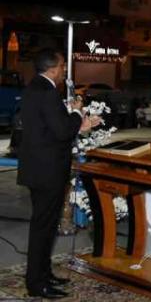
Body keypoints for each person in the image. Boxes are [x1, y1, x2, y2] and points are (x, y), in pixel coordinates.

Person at [17, 49, 99, 299]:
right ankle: (37, 283)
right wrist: (76, 113)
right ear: (53, 68)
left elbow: (50, 128)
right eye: (63, 65)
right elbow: (62, 132)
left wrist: (74, 118)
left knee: (46, 226)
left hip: (37, 169)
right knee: (43, 228)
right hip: (48, 171)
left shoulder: (34, 87)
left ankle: (43, 274)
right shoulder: (49, 92)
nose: (65, 69)